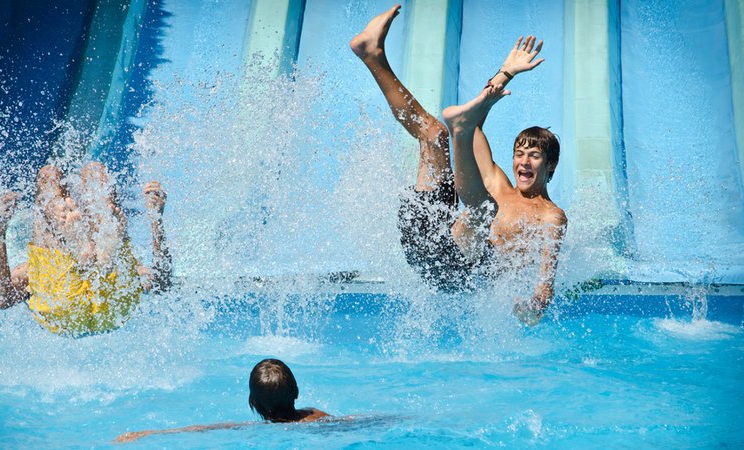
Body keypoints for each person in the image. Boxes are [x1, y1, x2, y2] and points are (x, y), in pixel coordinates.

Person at [351, 5, 566, 325]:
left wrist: (531, 308)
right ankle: (371, 54)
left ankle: (458, 132)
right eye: (519, 154)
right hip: (426, 236)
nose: (523, 161)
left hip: (456, 275)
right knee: (434, 134)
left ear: (551, 165)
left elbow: (545, 285)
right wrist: (506, 72)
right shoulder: (499, 184)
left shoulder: (551, 216)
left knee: (484, 207)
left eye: (534, 156)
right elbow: (475, 125)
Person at [0, 162, 172, 337]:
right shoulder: (133, 267)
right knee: (96, 173)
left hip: (61, 311)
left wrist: (0, 228)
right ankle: (101, 254)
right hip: (113, 309)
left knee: (48, 176)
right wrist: (156, 221)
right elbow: (162, 283)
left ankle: (83, 251)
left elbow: (2, 297)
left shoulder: (32, 269)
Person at [114, 359, 329, 443]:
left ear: (253, 403)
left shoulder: (254, 429)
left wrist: (149, 434)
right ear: (296, 392)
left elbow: (204, 429)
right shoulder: (316, 416)